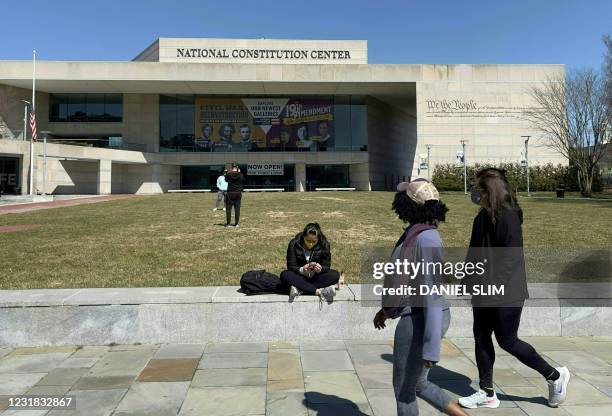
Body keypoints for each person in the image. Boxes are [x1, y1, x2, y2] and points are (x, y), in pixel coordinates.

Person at [458, 168, 570, 409]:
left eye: (479, 189)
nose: (475, 193)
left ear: (492, 191)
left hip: (506, 291)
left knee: (507, 340)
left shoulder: (508, 217)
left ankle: (555, 376)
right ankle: (487, 392)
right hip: (484, 288)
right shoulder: (482, 217)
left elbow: (510, 259)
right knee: (481, 336)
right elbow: (474, 251)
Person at [373, 179, 468, 416]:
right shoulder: (418, 233)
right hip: (417, 313)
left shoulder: (426, 239)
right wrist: (386, 310)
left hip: (420, 319)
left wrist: (431, 347)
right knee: (417, 384)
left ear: (409, 205)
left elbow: (432, 292)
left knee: (404, 389)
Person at [280, 223, 339, 304]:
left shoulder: (324, 244)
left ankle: (300, 288)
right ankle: (318, 291)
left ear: (318, 239)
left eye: (314, 241)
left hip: (316, 277)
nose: (310, 244)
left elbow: (327, 266)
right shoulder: (294, 244)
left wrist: (320, 269)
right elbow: (291, 266)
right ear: (303, 236)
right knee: (285, 275)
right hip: (300, 276)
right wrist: (301, 270)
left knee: (335, 275)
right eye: (308, 241)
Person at [224, 163, 244, 227]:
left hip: (230, 193)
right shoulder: (240, 175)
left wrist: (227, 172)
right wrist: (239, 172)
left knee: (228, 209)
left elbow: (226, 180)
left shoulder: (228, 174)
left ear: (232, 167)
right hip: (238, 193)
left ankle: (228, 223)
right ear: (237, 167)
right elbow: (243, 180)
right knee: (237, 209)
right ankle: (236, 223)